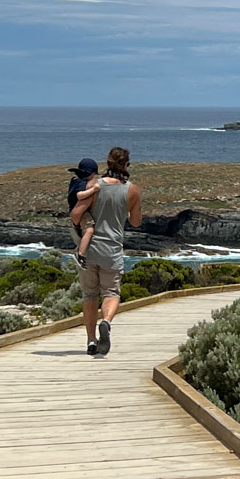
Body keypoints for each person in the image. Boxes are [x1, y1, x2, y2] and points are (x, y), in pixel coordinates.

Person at [71, 147, 142, 356]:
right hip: (112, 250)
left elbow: (75, 214)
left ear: (108, 162)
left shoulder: (94, 186)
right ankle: (107, 322)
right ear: (126, 164)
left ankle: (91, 341)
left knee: (89, 295)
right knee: (111, 293)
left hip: (90, 249)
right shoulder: (132, 190)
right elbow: (136, 222)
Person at [67, 158, 99, 269]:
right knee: (89, 230)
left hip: (74, 210)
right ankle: (80, 254)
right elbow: (80, 195)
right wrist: (94, 190)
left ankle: (80, 250)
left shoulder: (75, 180)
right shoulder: (80, 182)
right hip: (81, 211)